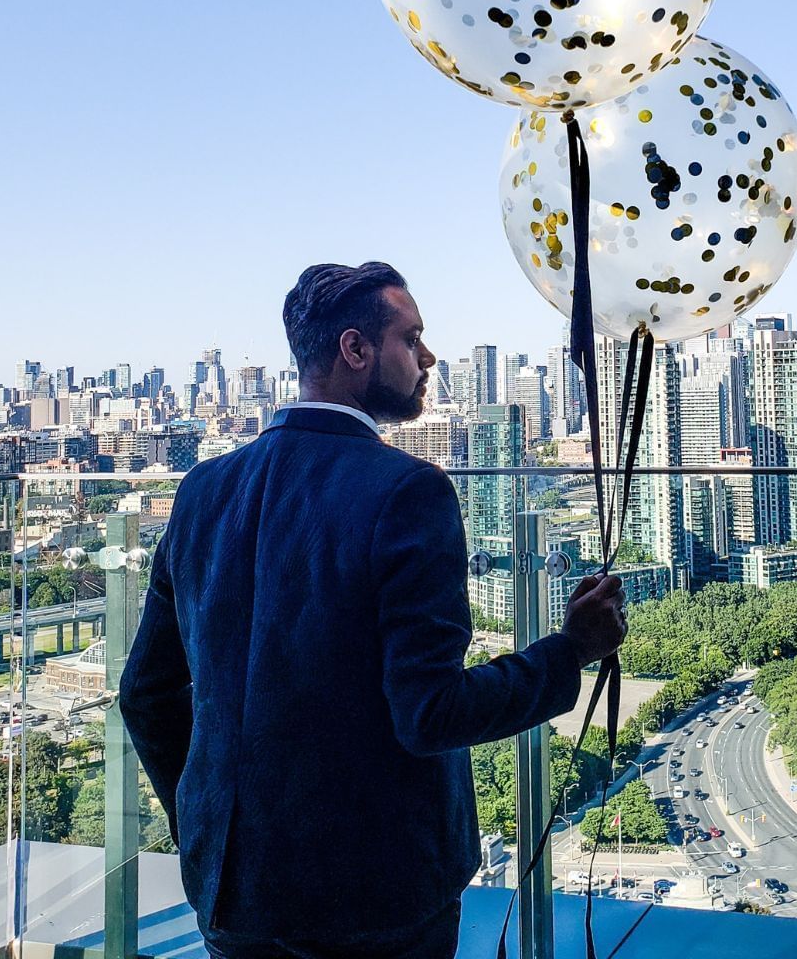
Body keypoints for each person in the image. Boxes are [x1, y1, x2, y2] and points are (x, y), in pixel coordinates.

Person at [119, 262, 627, 958]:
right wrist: (570, 650)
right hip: (375, 898)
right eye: (410, 338)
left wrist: (206, 820)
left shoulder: (204, 488)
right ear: (355, 350)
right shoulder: (408, 492)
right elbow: (431, 714)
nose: (427, 357)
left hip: (232, 892)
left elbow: (145, 694)